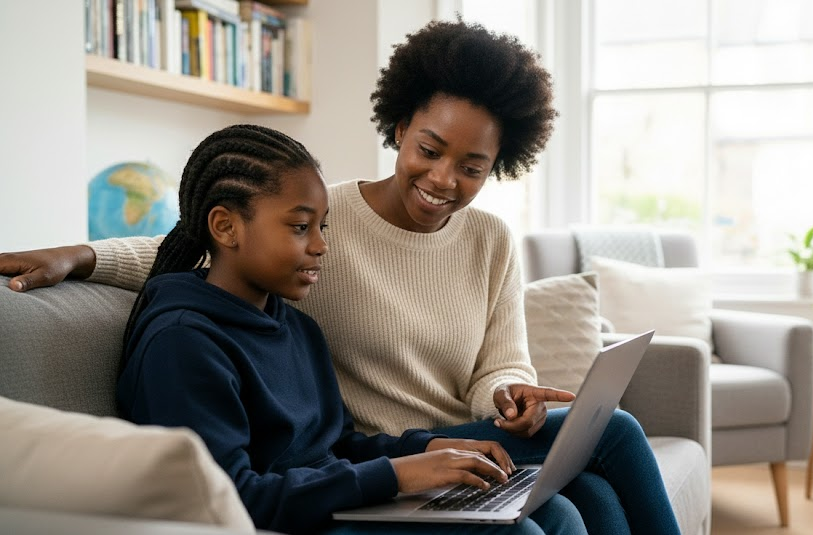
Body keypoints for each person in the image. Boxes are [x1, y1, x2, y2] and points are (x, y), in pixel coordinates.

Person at [0, 19, 681, 534]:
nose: (445, 178)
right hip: (369, 479)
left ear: (498, 164)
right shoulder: (301, 237)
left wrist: (504, 396)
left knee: (588, 482)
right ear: (400, 125)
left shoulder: (306, 308)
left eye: (472, 166)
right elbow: (186, 247)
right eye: (430, 149)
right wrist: (80, 257)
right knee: (579, 481)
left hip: (420, 450)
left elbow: (494, 363)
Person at [115, 123, 587, 535]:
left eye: (323, 226)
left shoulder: (295, 327)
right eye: (301, 227)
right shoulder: (182, 343)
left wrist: (431, 449)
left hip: (337, 508)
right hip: (290, 524)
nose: (321, 245)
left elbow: (340, 446)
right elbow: (230, 499)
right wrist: (398, 476)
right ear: (225, 227)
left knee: (560, 512)